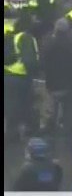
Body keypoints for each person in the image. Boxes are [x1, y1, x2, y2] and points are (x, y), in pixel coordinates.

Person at [4, 11, 41, 141]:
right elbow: (29, 61)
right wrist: (36, 72)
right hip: (21, 77)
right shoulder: (26, 37)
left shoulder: (13, 36)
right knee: (26, 104)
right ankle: (30, 132)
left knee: (11, 106)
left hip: (8, 75)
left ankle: (11, 133)